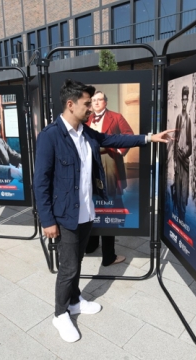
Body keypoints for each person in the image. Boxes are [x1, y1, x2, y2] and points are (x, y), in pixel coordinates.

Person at [34, 79, 173, 343]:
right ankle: (60, 314)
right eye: (87, 104)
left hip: (86, 211)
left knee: (77, 262)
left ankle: (75, 301)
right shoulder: (50, 136)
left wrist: (149, 138)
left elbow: (114, 137)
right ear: (70, 104)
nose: (91, 109)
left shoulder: (85, 132)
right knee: (68, 267)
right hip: (65, 215)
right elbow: (40, 181)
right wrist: (47, 219)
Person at [84, 90, 132, 266]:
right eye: (93, 100)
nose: (96, 103)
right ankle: (90, 245)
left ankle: (108, 254)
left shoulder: (116, 117)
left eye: (99, 100)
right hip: (90, 165)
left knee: (109, 205)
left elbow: (128, 134)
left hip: (109, 161)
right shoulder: (86, 118)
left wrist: (119, 151)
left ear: (105, 101)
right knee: (92, 204)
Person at [173, 86, 193, 220]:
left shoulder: (189, 120)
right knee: (178, 188)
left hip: (184, 159)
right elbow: (175, 140)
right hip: (178, 160)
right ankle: (179, 215)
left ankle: (183, 215)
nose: (184, 103)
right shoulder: (179, 118)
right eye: (183, 100)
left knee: (184, 189)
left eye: (186, 100)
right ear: (181, 101)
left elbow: (190, 145)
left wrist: (184, 153)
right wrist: (175, 160)